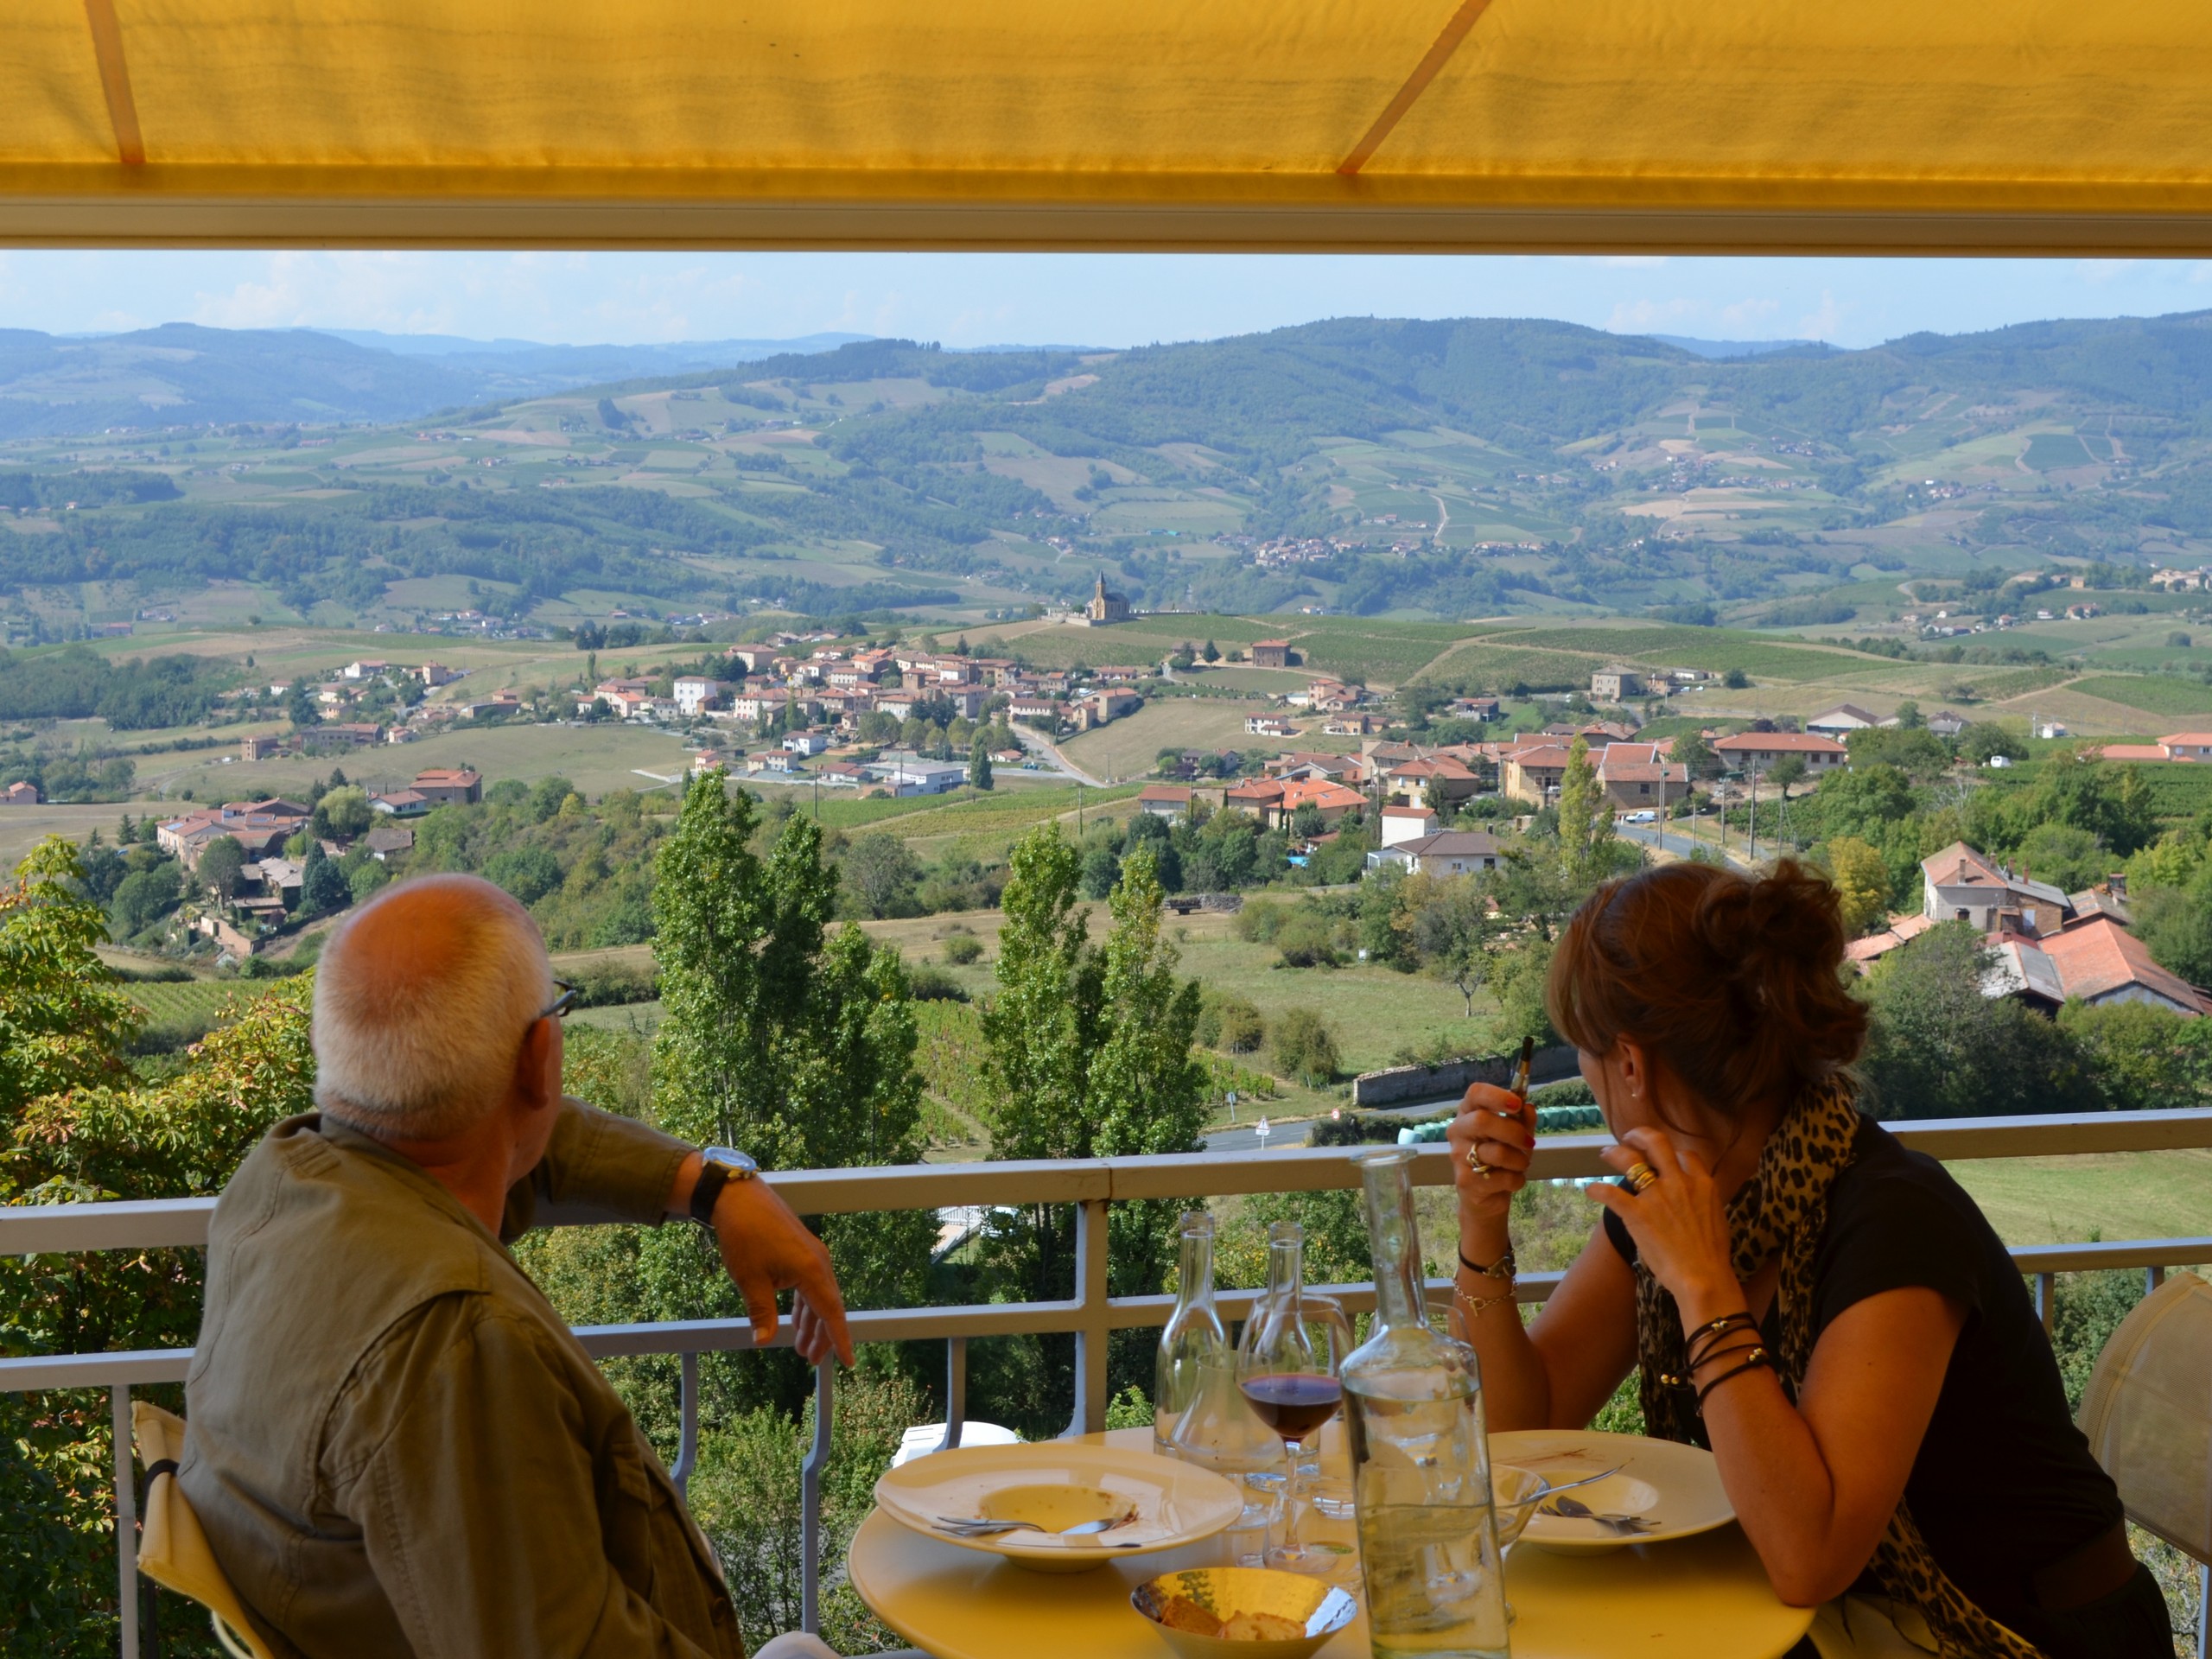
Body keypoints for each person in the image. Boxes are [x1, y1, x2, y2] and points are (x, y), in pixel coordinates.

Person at [1447, 860, 2172, 1659]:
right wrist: (1483, 1226)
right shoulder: (1671, 1204)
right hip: (1844, 1624)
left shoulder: (1892, 1218)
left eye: (1580, 1049)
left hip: (2016, 1632)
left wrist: (1701, 1284)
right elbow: (1520, 1431)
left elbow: (1810, 1556)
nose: (1578, 1071)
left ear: (1629, 1065)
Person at [181, 874, 854, 1658]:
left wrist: (711, 1188)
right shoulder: (455, 1350)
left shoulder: (283, 1184)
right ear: (542, 1058)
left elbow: (496, 1127)